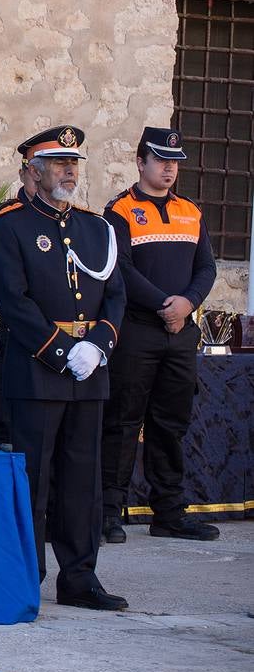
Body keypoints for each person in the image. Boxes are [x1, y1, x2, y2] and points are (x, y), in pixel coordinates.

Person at [0, 125, 128, 611]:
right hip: (38, 368)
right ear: (32, 171)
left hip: (91, 370)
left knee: (82, 478)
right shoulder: (8, 224)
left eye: (75, 164)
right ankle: (28, 573)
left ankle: (80, 577)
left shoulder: (95, 227)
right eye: (59, 164)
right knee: (36, 477)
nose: (70, 171)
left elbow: (115, 293)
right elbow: (13, 301)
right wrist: (64, 350)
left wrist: (100, 345)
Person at [100, 127, 220, 543]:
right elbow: (121, 270)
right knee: (122, 421)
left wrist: (186, 304)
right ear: (140, 162)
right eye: (161, 160)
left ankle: (168, 512)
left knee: (171, 424)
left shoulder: (191, 211)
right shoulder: (118, 210)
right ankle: (107, 514)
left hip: (180, 335)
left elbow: (207, 267)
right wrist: (164, 306)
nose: (170, 168)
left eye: (175, 162)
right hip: (137, 332)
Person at [0, 146, 38, 446]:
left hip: (56, 344)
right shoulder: (7, 219)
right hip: (18, 338)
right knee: (7, 429)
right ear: (23, 173)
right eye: (34, 172)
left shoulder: (71, 221)